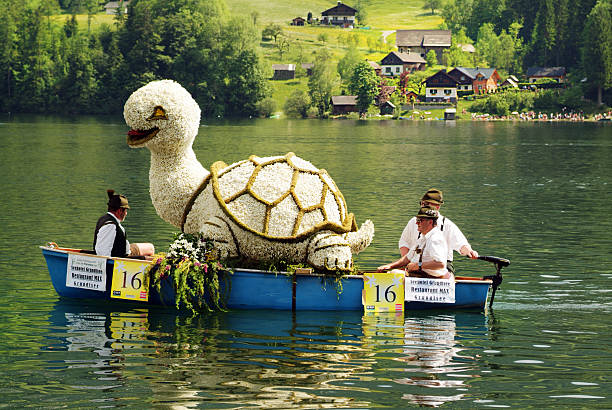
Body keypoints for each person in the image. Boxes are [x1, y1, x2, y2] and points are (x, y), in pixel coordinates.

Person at [398, 188, 478, 273]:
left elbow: (461, 245)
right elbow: (404, 242)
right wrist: (408, 263)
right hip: (416, 264)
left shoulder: (447, 225)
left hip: (442, 266)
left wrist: (470, 252)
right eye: (422, 203)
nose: (423, 206)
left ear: (437, 207)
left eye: (427, 204)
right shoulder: (413, 222)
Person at [377, 207, 449, 278]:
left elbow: (440, 264)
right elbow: (407, 258)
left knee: (394, 273)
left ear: (430, 222)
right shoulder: (423, 237)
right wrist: (389, 266)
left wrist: (418, 265)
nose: (416, 223)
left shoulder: (435, 239)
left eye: (420, 220)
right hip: (419, 276)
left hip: (431, 279)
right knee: (390, 272)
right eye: (417, 219)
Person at [93, 189, 155, 259]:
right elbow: (103, 253)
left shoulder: (103, 219)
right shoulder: (110, 226)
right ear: (119, 211)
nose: (126, 213)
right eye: (125, 211)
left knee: (150, 247)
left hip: (124, 249)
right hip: (123, 255)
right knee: (151, 251)